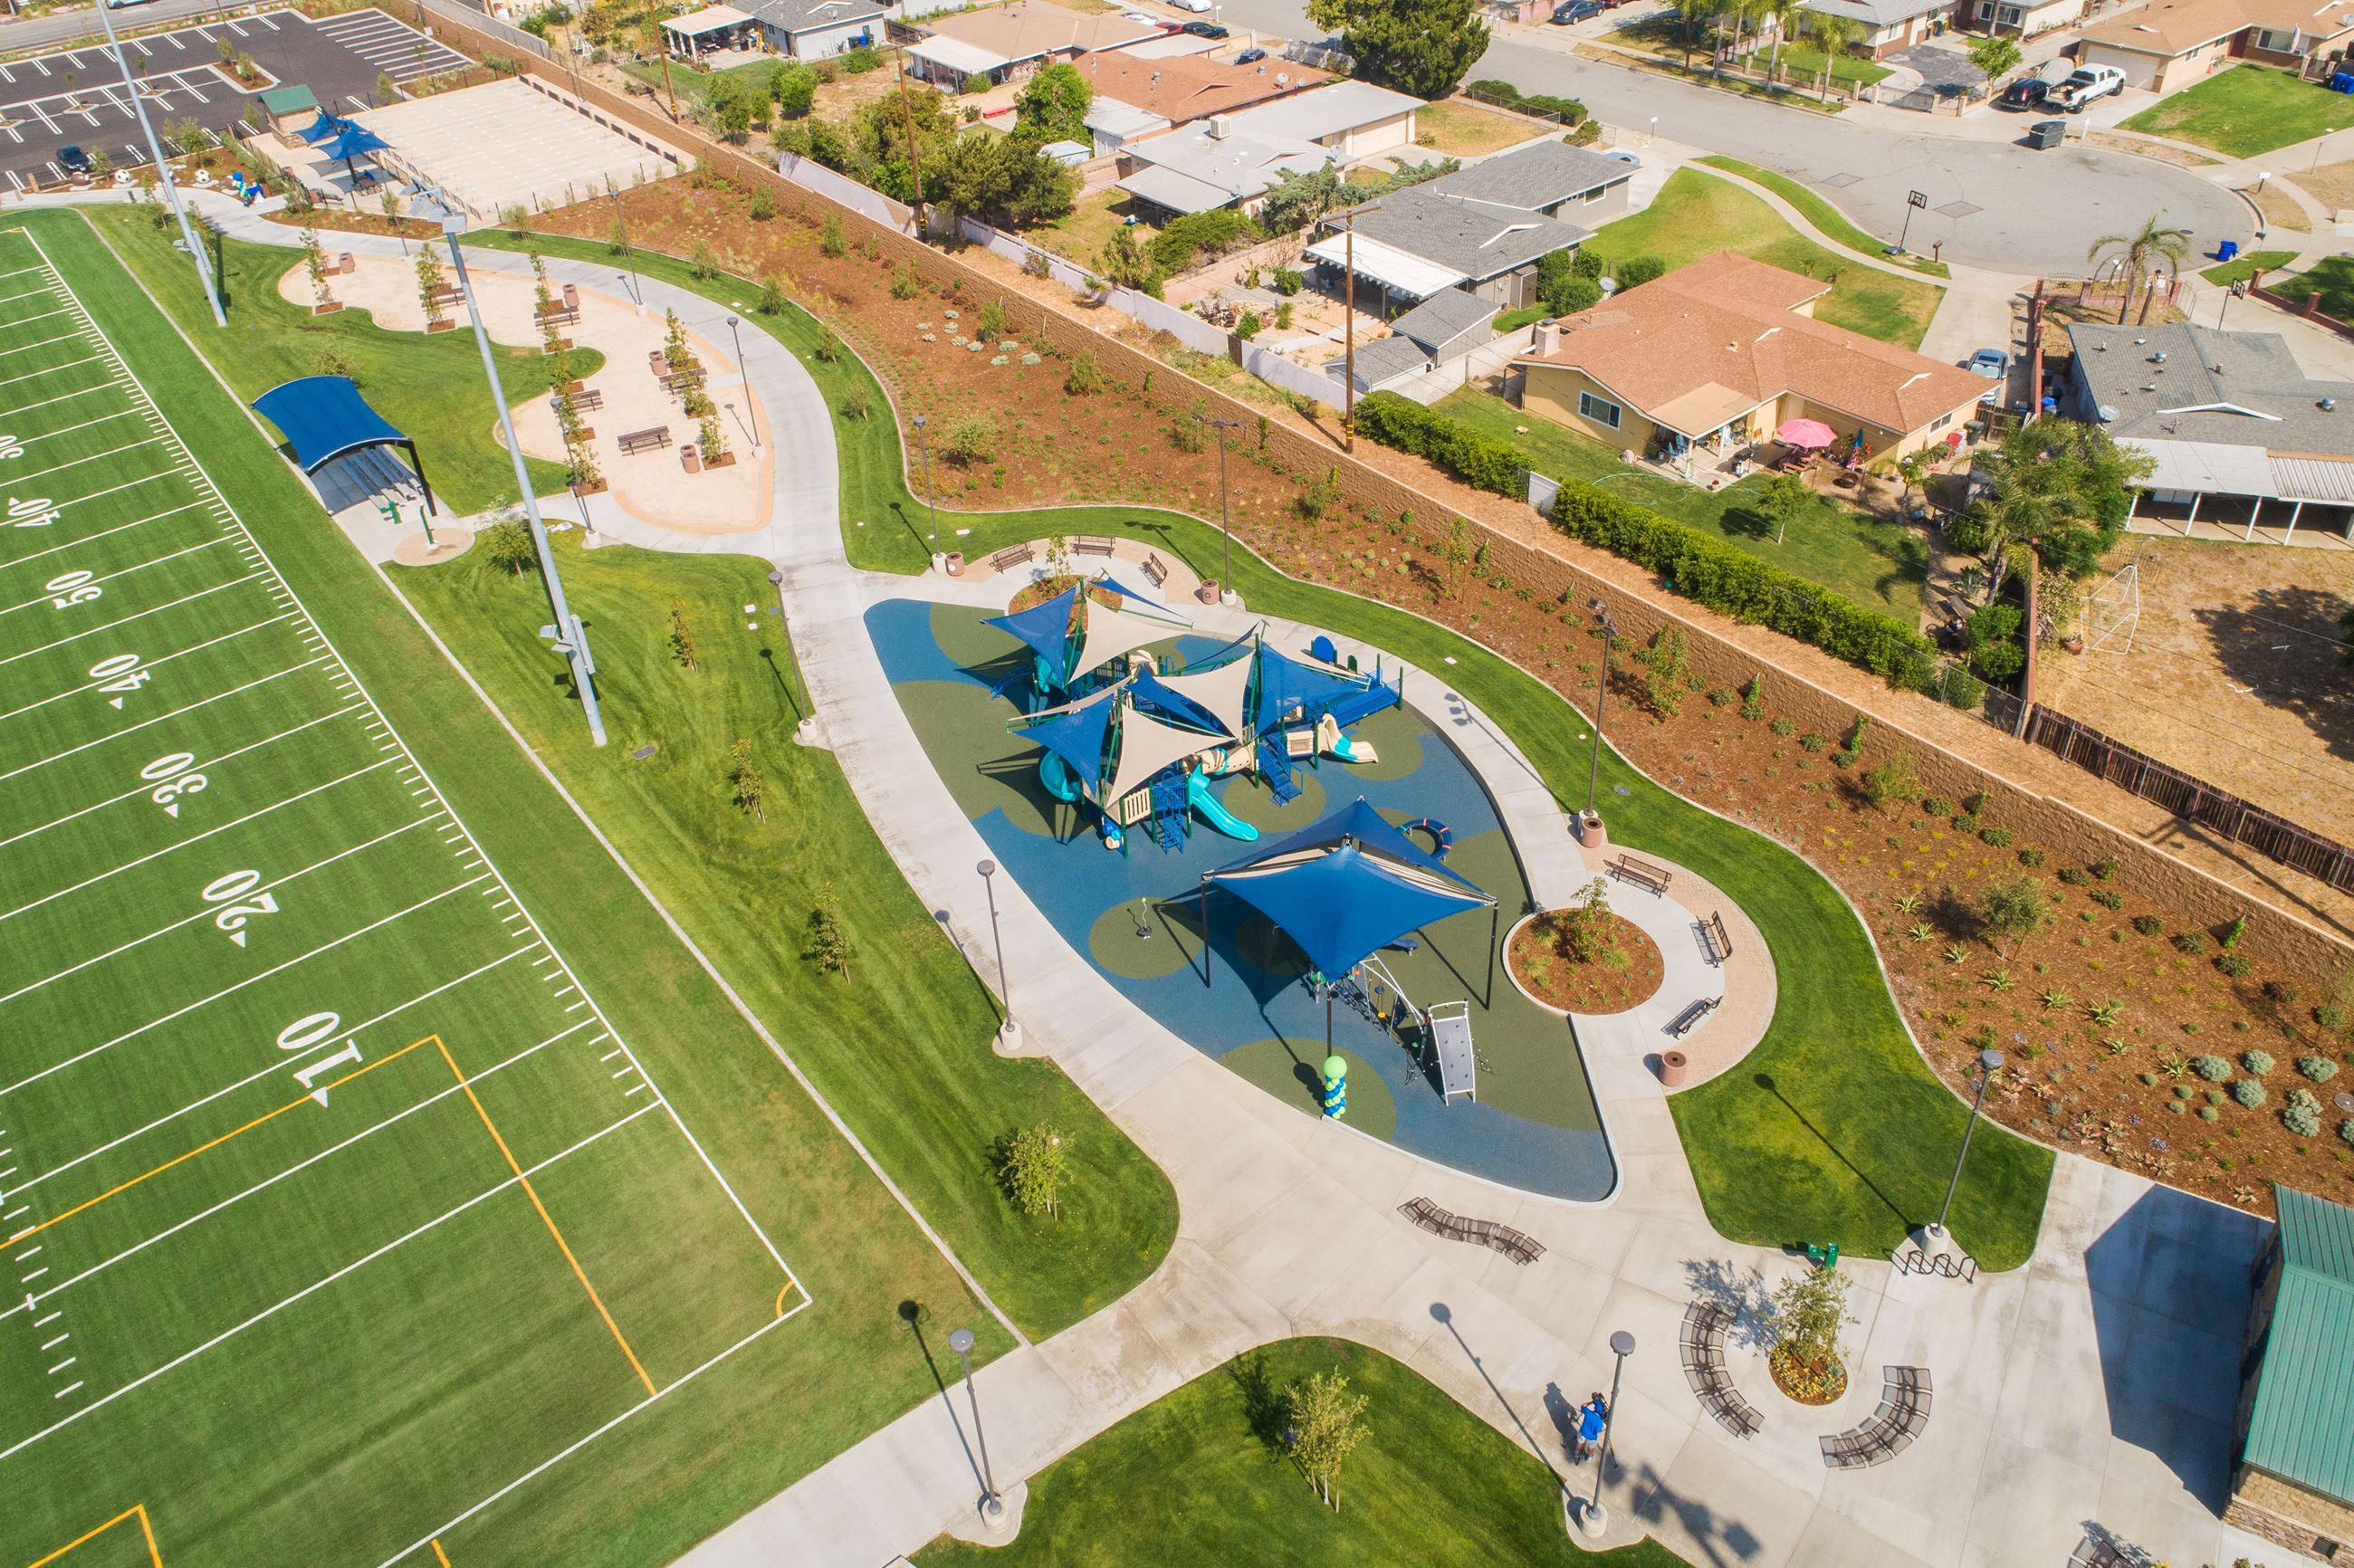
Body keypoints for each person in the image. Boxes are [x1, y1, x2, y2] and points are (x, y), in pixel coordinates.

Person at [1574, 1391, 1608, 1463]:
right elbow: (1598, 1434)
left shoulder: (1588, 1412)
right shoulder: (1599, 1422)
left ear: (1595, 1408)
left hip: (1583, 1432)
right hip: (1592, 1437)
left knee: (1579, 1443)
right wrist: (1606, 1430)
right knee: (1591, 1447)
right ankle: (1589, 1457)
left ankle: (1576, 1453)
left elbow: (1583, 1406)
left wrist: (1591, 1402)